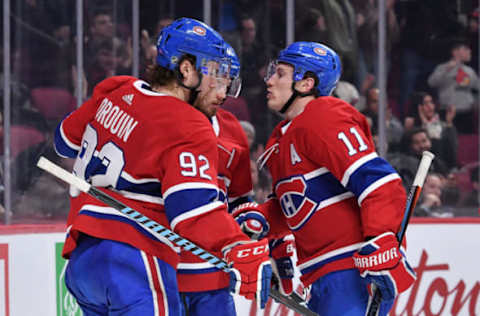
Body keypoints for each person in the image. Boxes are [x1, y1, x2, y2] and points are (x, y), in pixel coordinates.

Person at [53, 17, 272, 315]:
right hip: (133, 258)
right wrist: (236, 245)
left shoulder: (117, 89)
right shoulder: (188, 122)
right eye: (215, 76)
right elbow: (192, 212)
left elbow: (64, 140)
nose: (221, 92)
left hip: (82, 259)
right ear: (186, 69)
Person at [232, 42, 416, 316]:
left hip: (351, 271)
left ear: (306, 84)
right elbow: (294, 204)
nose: (269, 80)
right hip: (320, 276)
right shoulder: (283, 137)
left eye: (280, 74)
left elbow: (379, 183)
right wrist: (262, 221)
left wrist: (382, 238)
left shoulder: (324, 117)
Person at [427, 40, 479, 133]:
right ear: (455, 52)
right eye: (466, 49)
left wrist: (474, 103)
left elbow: (477, 88)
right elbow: (431, 83)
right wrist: (447, 69)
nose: (469, 51)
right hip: (447, 112)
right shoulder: (442, 68)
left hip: (466, 113)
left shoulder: (470, 71)